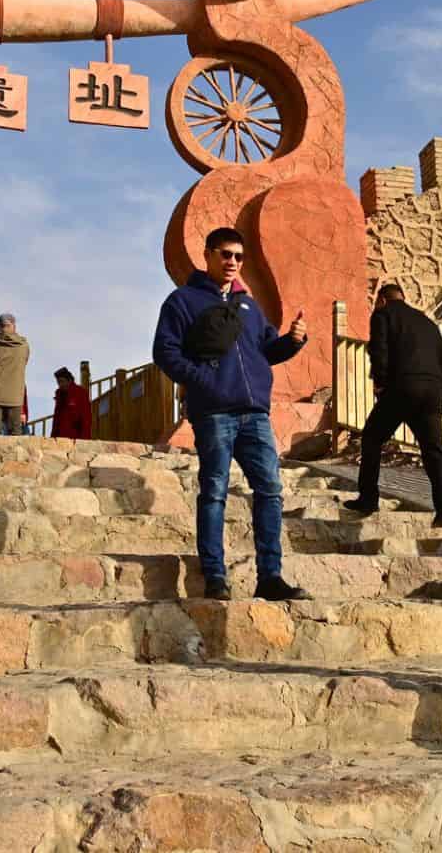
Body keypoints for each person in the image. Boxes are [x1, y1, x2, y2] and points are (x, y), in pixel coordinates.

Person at [151, 225, 310, 602]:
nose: (232, 262)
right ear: (207, 254)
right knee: (215, 491)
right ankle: (215, 575)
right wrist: (203, 382)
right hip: (214, 414)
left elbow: (267, 350)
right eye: (225, 254)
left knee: (270, 490)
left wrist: (293, 341)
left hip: (255, 414)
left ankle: (270, 576)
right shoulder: (182, 301)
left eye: (238, 256)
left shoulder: (249, 306)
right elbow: (165, 352)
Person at [344, 283, 442, 525]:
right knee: (434, 449)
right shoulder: (427, 322)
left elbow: (379, 350)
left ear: (382, 299)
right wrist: (440, 392)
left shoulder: (383, 314)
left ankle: (368, 499)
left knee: (372, 438)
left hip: (401, 387)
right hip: (432, 390)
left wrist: (381, 383)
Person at [0, 313, 31, 436]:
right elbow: (25, 362)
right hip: (15, 395)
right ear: (14, 326)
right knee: (15, 433)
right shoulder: (24, 346)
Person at [50, 367, 92, 439]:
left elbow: (86, 419)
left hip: (75, 439)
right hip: (60, 440)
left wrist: (84, 441)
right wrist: (52, 438)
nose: (60, 385)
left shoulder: (80, 393)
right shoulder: (59, 395)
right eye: (58, 382)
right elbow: (56, 421)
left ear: (69, 380)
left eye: (62, 381)